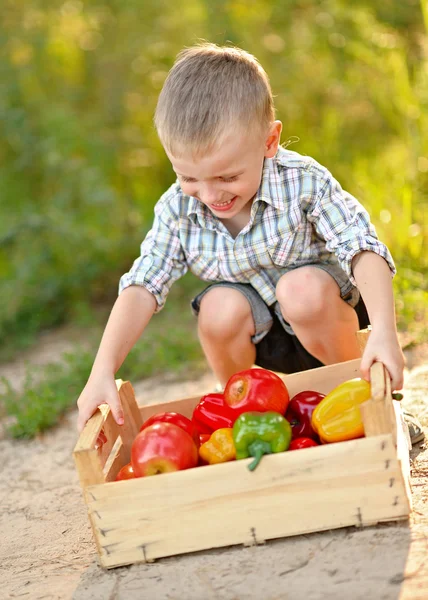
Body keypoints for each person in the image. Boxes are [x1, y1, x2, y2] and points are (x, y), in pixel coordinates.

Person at [76, 43, 424, 444]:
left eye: (226, 177)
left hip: (327, 323)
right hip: (258, 345)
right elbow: (142, 285)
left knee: (301, 290)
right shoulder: (177, 209)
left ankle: (368, 402)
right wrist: (102, 368)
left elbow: (363, 246)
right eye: (189, 177)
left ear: (269, 141)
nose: (209, 195)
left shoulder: (302, 181)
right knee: (218, 308)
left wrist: (384, 330)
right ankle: (250, 417)